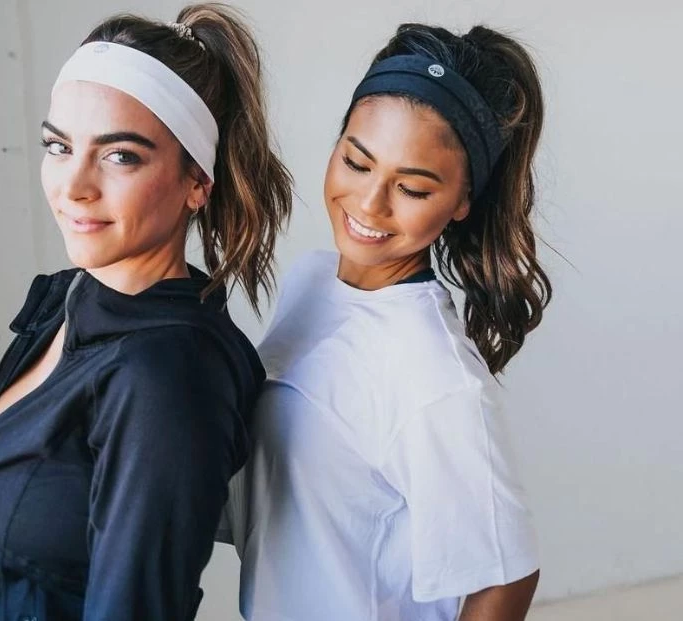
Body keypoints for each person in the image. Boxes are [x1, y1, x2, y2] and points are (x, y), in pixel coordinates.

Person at [0, 4, 292, 620]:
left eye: (120, 155)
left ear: (197, 181)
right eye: (59, 146)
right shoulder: (70, 299)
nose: (74, 186)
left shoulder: (166, 377)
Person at [227, 23, 551, 621]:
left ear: (462, 201)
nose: (370, 204)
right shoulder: (311, 282)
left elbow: (508, 577)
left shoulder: (436, 376)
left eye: (413, 188)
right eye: (357, 162)